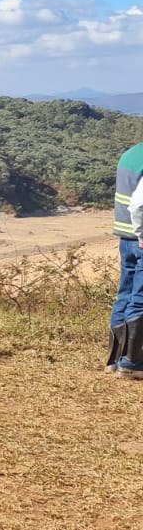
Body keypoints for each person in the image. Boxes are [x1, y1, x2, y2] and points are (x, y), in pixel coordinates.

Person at [110, 142, 143, 376]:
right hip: (140, 238)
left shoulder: (131, 154)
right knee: (141, 298)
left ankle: (114, 359)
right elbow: (139, 204)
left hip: (126, 237)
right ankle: (132, 363)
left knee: (125, 295)